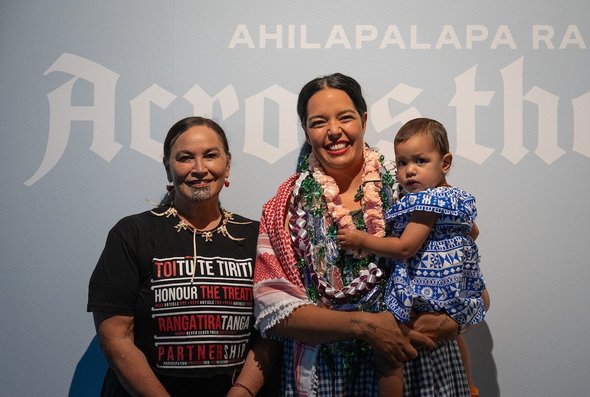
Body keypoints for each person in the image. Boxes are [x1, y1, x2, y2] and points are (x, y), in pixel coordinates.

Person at [253, 73, 471, 397]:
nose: (334, 131)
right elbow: (272, 308)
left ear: (364, 120)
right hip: (326, 376)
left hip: (417, 366)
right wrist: (364, 325)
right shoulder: (286, 206)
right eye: (318, 122)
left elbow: (467, 277)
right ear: (306, 131)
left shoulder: (412, 189)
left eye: (345, 117)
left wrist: (450, 321)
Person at [88, 116, 277, 397]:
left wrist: (242, 391)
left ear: (227, 163)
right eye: (185, 158)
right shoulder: (132, 233)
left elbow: (272, 329)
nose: (199, 169)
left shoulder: (255, 237)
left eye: (210, 156)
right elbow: (116, 338)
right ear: (168, 168)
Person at [338, 117, 487, 397]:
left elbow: (406, 248)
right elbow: (473, 232)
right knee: (454, 338)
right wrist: (453, 253)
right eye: (403, 163)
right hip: (452, 285)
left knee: (389, 356)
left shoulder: (427, 203)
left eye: (420, 161)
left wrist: (361, 240)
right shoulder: (454, 196)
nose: (409, 171)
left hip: (426, 286)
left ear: (445, 163)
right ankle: (468, 387)